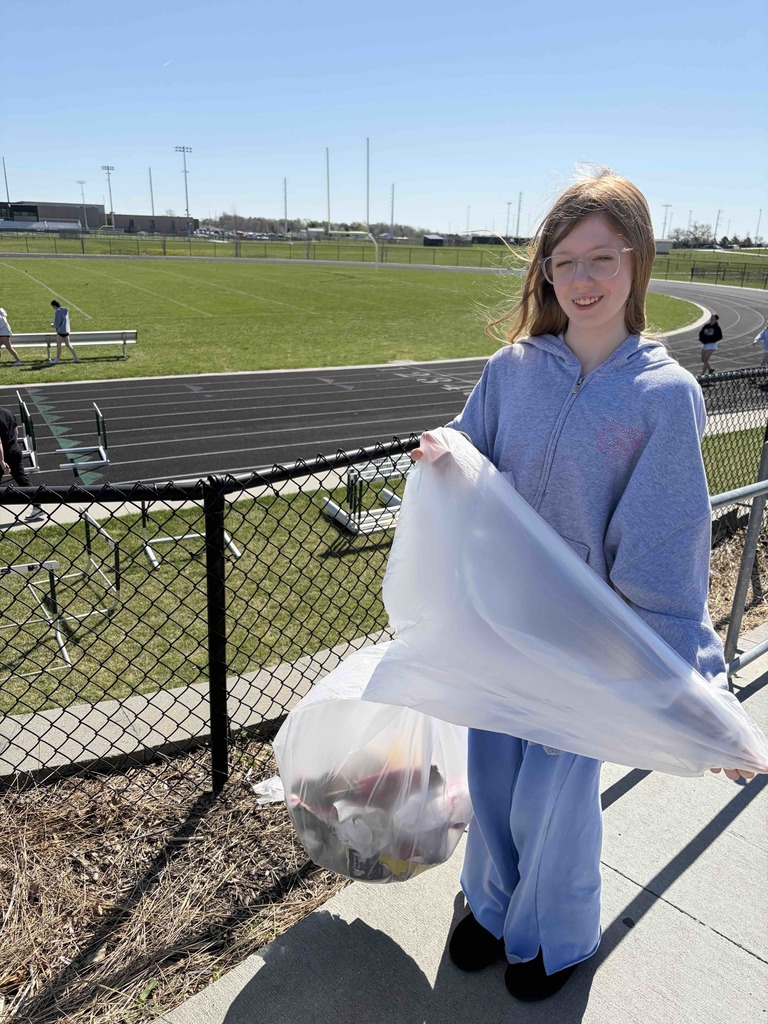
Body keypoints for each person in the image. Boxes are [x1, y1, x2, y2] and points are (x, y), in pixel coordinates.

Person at [410, 167, 753, 1003]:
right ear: (546, 272)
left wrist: (699, 694)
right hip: (500, 630)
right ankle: (490, 908)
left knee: (556, 807)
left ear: (637, 261)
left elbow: (666, 550)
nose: (584, 280)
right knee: (491, 784)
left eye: (603, 257)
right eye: (565, 262)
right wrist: (441, 450)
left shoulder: (662, 397)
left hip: (587, 646)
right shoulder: (513, 368)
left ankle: (555, 935)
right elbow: (470, 447)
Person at [0, 406, 43, 521]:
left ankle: (37, 505)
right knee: (22, 479)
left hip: (4, 454)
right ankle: (37, 505)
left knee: (21, 479)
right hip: (15, 450)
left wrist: (2, 461)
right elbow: (16, 431)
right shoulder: (8, 412)